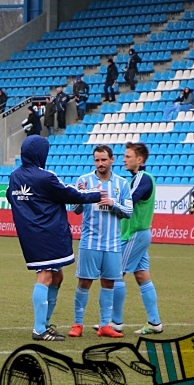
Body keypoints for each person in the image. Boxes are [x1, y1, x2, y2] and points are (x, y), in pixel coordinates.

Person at [8, 135, 102, 341]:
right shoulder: (45, 176)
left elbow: (10, 196)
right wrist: (97, 194)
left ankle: (45, 323)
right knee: (45, 276)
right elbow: (71, 194)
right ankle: (39, 329)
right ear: (40, 153)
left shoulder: (15, 176)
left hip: (31, 233)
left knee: (57, 277)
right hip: (46, 232)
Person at [68, 145, 132, 339]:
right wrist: (82, 197)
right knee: (84, 282)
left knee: (109, 283)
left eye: (104, 160)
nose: (100, 163)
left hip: (112, 243)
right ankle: (78, 323)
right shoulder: (84, 181)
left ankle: (105, 325)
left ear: (112, 160)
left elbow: (129, 212)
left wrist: (113, 204)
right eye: (97, 160)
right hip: (90, 242)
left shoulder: (122, 184)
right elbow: (75, 210)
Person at [112, 142, 163, 336]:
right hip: (137, 233)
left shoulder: (142, 178)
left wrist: (108, 203)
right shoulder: (137, 178)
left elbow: (128, 202)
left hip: (134, 234)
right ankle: (155, 322)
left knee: (116, 274)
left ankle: (115, 323)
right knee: (142, 276)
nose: (124, 160)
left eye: (128, 156)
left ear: (139, 160)